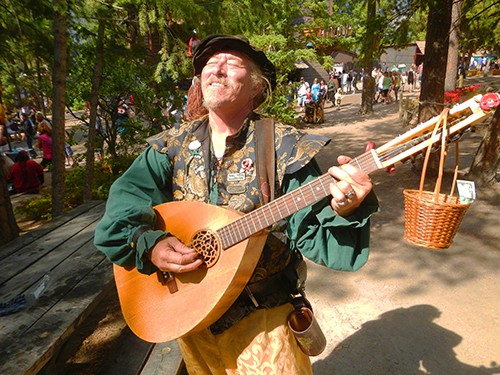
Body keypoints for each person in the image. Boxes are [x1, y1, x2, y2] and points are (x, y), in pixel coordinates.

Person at [94, 34, 378, 374]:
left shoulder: (284, 146)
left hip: (265, 325)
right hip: (193, 314)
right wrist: (149, 243)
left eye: (231, 63)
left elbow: (321, 239)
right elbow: (123, 207)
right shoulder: (169, 146)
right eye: (209, 65)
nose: (217, 70)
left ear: (256, 86)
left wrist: (345, 208)